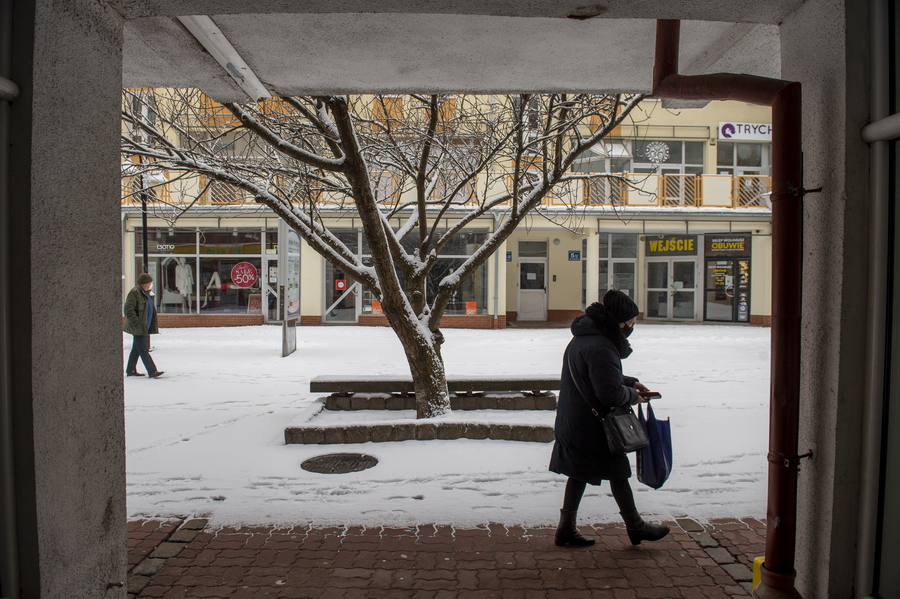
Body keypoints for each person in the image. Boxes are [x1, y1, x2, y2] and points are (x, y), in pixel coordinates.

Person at [549, 289, 669, 546]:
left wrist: (630, 382)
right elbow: (609, 393)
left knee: (579, 473)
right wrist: (633, 396)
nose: (633, 327)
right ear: (619, 322)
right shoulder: (602, 345)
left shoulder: (585, 337)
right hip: (594, 426)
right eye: (632, 322)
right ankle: (635, 527)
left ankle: (566, 529)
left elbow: (595, 376)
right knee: (617, 471)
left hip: (576, 420)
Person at [124, 273, 164, 378]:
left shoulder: (145, 293)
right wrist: (136, 322)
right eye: (149, 283)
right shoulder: (135, 293)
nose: (150, 285)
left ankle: (131, 370)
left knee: (136, 349)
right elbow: (128, 309)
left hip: (144, 326)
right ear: (144, 283)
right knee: (143, 349)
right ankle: (152, 371)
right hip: (139, 327)